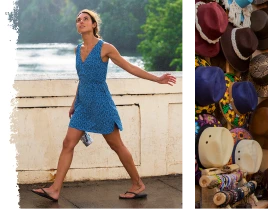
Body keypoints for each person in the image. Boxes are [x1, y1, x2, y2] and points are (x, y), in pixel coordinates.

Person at [31, 9, 177, 201]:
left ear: (93, 25)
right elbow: (83, 79)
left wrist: (157, 79)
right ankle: (55, 189)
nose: (81, 22)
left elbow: (130, 67)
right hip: (83, 104)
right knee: (68, 143)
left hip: (101, 102)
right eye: (78, 20)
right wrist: (74, 103)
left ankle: (137, 183)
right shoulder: (77, 50)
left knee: (116, 145)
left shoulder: (105, 48)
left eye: (85, 19)